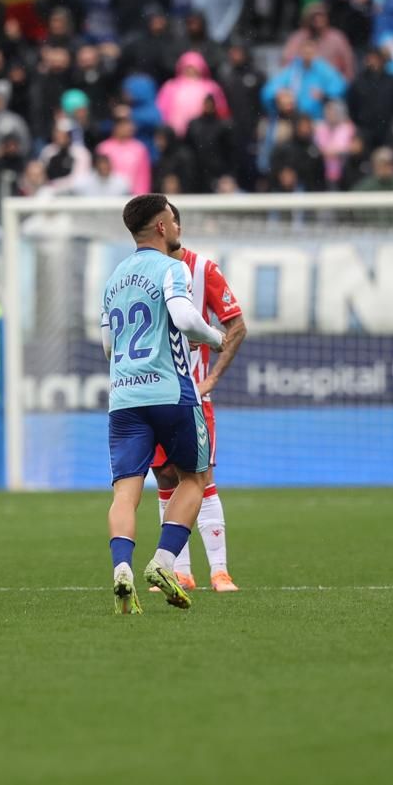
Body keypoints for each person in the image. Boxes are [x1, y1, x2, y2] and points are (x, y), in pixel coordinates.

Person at [102, 194, 225, 614]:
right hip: (170, 393)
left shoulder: (114, 278)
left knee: (125, 492)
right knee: (194, 478)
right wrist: (215, 337)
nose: (177, 228)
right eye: (173, 221)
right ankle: (163, 562)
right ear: (161, 226)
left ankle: (122, 569)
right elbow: (185, 317)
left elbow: (107, 345)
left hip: (124, 398)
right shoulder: (172, 268)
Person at [146, 204, 248, 593]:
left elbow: (236, 325)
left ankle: (220, 571)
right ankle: (180, 571)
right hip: (150, 395)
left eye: (176, 220)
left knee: (200, 477)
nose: (175, 227)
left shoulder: (203, 269)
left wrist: (214, 377)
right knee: (165, 478)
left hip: (190, 396)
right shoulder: (141, 273)